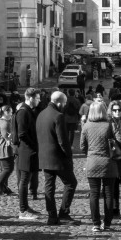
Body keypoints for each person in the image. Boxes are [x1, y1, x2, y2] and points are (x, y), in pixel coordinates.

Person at [37, 91, 78, 226]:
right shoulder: (58, 116)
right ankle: (64, 213)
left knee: (49, 187)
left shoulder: (41, 114)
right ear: (59, 102)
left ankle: (52, 216)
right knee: (71, 183)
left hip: (44, 157)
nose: (65, 106)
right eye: (64, 103)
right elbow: (63, 141)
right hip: (58, 158)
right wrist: (69, 155)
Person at [80, 101, 117, 232]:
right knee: (108, 194)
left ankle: (95, 223)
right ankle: (107, 223)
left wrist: (90, 154)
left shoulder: (86, 126)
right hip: (108, 162)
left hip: (93, 162)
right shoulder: (109, 125)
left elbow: (82, 146)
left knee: (94, 193)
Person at [13, 88, 42, 220]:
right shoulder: (23, 112)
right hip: (26, 151)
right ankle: (23, 210)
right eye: (37, 98)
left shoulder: (28, 111)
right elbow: (22, 134)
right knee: (24, 181)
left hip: (29, 150)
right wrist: (34, 146)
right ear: (30, 98)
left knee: (27, 179)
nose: (39, 100)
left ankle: (26, 207)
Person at [0, 105, 16, 197]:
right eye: (10, 112)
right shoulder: (5, 123)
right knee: (8, 169)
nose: (11, 114)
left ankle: (4, 188)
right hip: (5, 149)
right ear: (5, 112)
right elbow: (8, 138)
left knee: (3, 169)